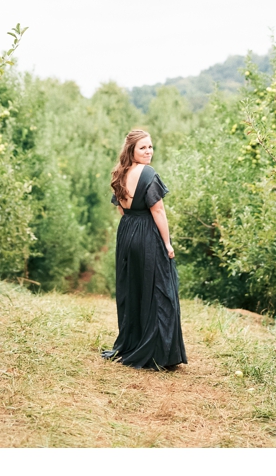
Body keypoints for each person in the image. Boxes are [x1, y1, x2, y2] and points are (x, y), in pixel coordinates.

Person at [102, 129, 186, 370]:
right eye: (143, 148)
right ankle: (158, 352)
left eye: (151, 147)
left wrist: (132, 218)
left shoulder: (120, 173)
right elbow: (158, 211)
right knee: (159, 288)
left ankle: (132, 343)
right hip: (147, 233)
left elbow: (119, 208)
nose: (148, 151)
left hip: (127, 231)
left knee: (133, 287)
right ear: (132, 150)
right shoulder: (148, 173)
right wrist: (167, 244)